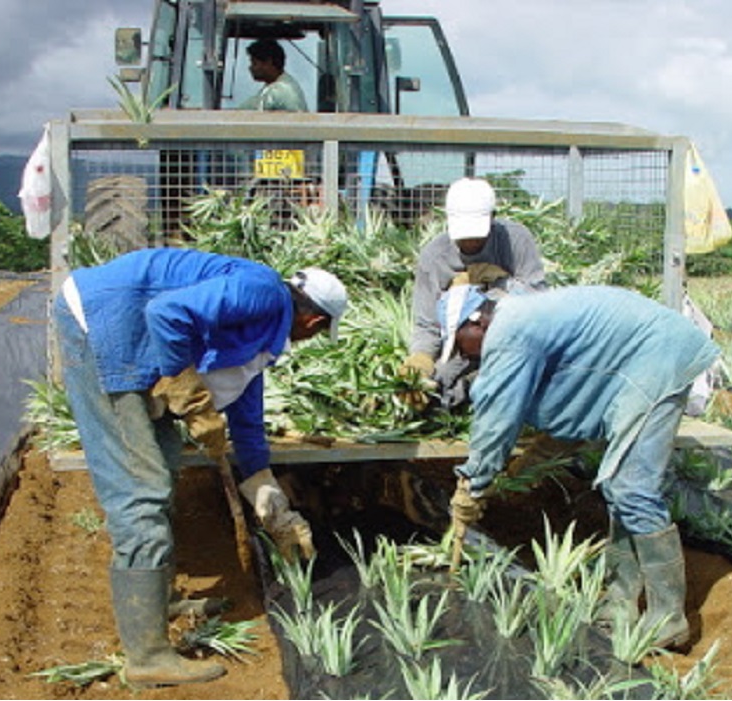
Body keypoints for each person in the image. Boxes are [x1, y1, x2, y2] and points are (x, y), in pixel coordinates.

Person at [53, 247, 346, 687]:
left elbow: (246, 415)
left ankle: (161, 600)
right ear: (314, 321)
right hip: (103, 326)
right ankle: (147, 655)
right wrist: (189, 394)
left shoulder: (264, 329)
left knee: (164, 466)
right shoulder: (264, 292)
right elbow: (166, 312)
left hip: (127, 334)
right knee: (141, 490)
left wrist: (268, 496)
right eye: (320, 333)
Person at [442, 284, 720, 650]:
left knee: (631, 488)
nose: (465, 353)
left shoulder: (511, 331)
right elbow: (573, 397)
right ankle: (621, 602)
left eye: (460, 343)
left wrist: (474, 480)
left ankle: (668, 619)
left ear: (475, 321)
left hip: (658, 357)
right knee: (618, 488)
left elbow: (498, 415)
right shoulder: (521, 320)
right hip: (648, 355)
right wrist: (533, 458)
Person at [399, 176, 547, 410]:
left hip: (513, 341)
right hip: (460, 347)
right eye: (463, 234)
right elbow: (427, 324)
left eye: (477, 234)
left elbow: (539, 303)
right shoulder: (435, 257)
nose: (469, 241)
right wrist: (421, 359)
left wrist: (497, 285)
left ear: (493, 218)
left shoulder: (515, 240)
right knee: (437, 390)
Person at [239, 38, 308, 112]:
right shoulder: (272, 88)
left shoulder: (281, 90)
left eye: (254, 63)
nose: (250, 68)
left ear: (268, 62)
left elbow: (252, 108)